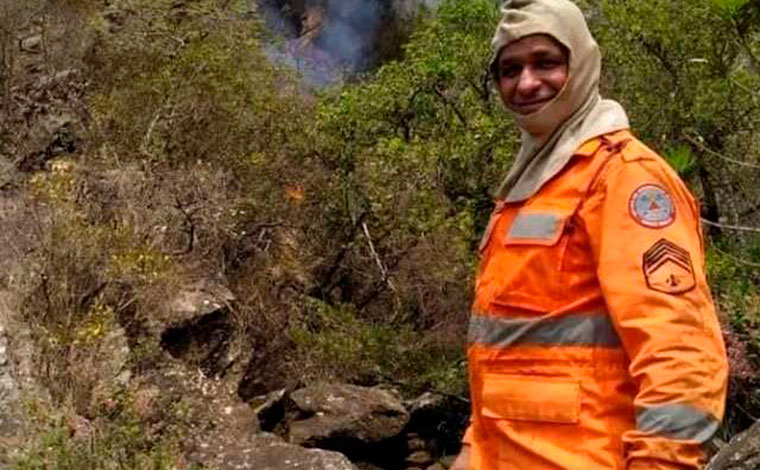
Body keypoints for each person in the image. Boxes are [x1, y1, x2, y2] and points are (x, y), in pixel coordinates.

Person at [451, 0, 729, 469]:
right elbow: (512, 356)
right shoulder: (530, 185)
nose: (526, 83)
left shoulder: (624, 179)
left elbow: (681, 354)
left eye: (546, 62)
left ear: (580, 63)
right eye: (509, 69)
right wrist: (470, 451)